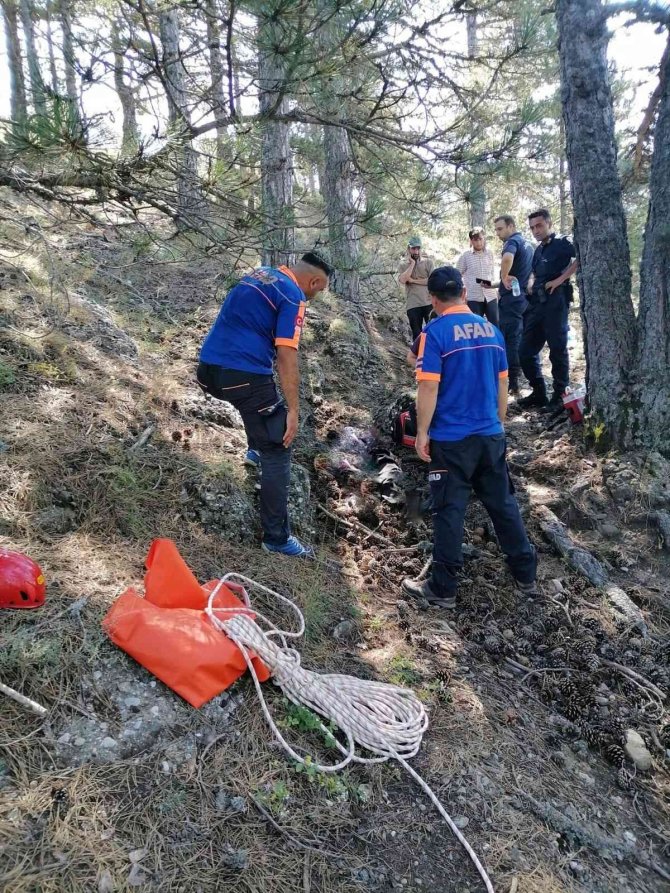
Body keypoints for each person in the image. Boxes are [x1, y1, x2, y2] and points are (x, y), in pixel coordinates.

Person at [401, 265, 537, 609]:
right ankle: (525, 573)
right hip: (489, 434)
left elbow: (428, 385)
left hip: (451, 440)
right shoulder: (492, 330)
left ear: (433, 299)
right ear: (463, 292)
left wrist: (421, 432)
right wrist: (498, 423)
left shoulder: (435, 332)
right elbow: (503, 383)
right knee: (503, 505)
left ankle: (442, 588)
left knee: (449, 510)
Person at [197, 253, 332, 558]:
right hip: (241, 375)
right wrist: (294, 411)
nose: (315, 296)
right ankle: (277, 538)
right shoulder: (293, 294)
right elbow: (286, 355)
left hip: (207, 371)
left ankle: (253, 449)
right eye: (319, 290)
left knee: (257, 401)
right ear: (313, 281)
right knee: (278, 446)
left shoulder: (261, 274)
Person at [518, 209, 579, 411]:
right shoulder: (538, 250)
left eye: (539, 225)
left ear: (548, 223)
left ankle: (560, 396)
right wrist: (530, 283)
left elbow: (581, 257)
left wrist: (561, 279)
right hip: (537, 303)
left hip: (557, 302)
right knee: (525, 351)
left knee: (557, 349)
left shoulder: (563, 243)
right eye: (532, 227)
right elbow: (535, 272)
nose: (536, 230)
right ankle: (539, 392)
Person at [493, 215, 534, 395]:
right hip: (523, 299)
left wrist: (503, 277)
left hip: (511, 301)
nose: (497, 233)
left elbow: (507, 258)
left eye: (500, 229)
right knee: (518, 338)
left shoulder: (512, 242)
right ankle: (517, 379)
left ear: (511, 226)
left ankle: (512, 381)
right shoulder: (528, 244)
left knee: (510, 340)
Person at [456, 227, 499, 326]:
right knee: (475, 326)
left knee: (495, 324)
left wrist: (496, 291)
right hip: (473, 297)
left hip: (490, 295)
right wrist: (462, 294)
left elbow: (492, 273)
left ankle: (497, 342)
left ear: (484, 239)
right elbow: (457, 275)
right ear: (471, 241)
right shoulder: (465, 256)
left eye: (481, 239)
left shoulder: (490, 254)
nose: (479, 242)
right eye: (476, 240)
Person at [397, 236, 435, 339]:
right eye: (414, 248)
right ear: (408, 248)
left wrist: (413, 281)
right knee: (417, 334)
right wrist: (412, 264)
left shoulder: (428, 262)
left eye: (418, 248)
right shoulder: (403, 264)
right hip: (413, 304)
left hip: (428, 302)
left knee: (433, 333)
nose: (416, 251)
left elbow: (432, 280)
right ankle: (418, 355)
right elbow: (403, 280)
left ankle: (432, 354)